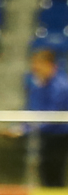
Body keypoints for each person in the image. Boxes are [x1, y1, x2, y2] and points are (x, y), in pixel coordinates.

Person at [27, 47, 68, 187]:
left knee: (54, 174)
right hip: (45, 135)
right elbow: (34, 109)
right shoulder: (39, 83)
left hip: (59, 136)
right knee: (45, 174)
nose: (34, 68)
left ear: (48, 64)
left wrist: (27, 129)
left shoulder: (61, 86)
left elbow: (53, 115)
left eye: (38, 64)